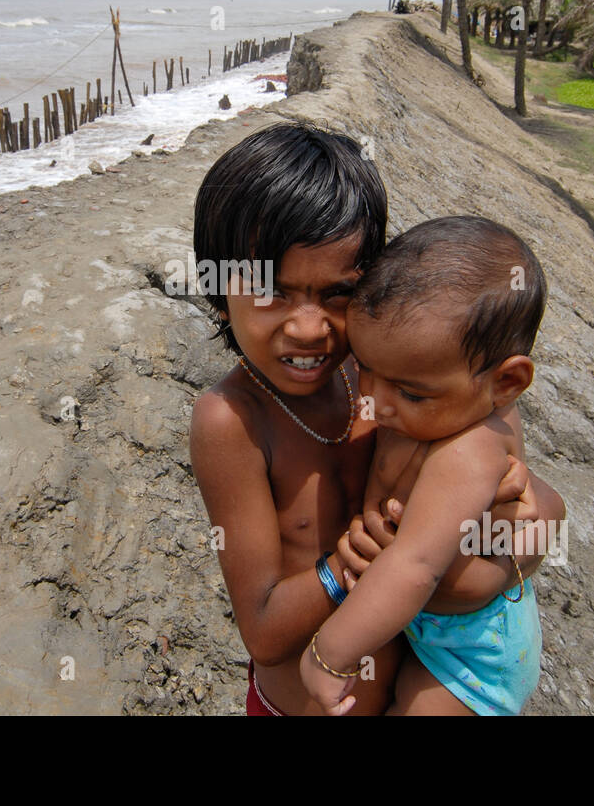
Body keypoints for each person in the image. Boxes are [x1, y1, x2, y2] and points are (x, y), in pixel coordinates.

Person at [187, 123, 565, 715]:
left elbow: (527, 527)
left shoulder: (393, 379)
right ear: (216, 284)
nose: (309, 328)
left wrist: (525, 509)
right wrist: (346, 566)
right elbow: (261, 631)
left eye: (337, 294)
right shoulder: (232, 421)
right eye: (271, 293)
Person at [299, 215, 551, 716]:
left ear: (506, 383)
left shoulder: (471, 448)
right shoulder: (432, 386)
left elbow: (415, 566)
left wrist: (328, 657)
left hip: (470, 658)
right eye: (366, 369)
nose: (376, 400)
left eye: (410, 392)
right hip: (425, 628)